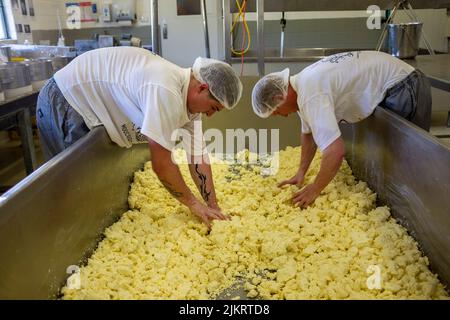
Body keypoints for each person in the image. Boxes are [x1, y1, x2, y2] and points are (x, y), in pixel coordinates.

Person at [36, 47, 243, 229]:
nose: (210, 115)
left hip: (85, 106)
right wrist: (193, 204)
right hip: (66, 99)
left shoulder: (190, 110)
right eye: (214, 108)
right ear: (202, 88)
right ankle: (54, 250)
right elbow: (162, 163)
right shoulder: (165, 88)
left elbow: (198, 158)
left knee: (82, 193)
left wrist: (213, 207)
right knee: (70, 191)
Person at [251, 50, 431, 208]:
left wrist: (315, 189)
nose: (280, 116)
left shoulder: (310, 94)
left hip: (403, 84)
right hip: (397, 82)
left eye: (275, 112)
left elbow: (335, 152)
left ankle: (426, 213)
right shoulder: (304, 86)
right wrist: (301, 173)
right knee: (397, 159)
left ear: (278, 97)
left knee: (410, 161)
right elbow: (309, 135)